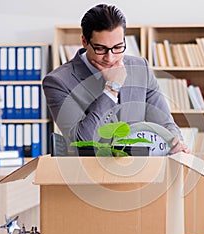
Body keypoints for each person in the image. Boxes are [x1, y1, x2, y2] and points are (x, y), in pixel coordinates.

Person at [43, 4, 188, 154]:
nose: (110, 57)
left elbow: (165, 123)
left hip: (142, 170)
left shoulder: (140, 68)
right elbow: (81, 140)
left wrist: (176, 141)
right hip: (91, 172)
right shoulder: (58, 82)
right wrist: (112, 88)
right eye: (100, 48)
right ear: (84, 41)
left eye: (118, 47)